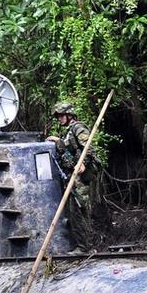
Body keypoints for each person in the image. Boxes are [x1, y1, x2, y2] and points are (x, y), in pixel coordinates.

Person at [48, 101, 96, 244]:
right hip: (72, 175)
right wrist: (57, 141)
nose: (59, 119)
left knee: (79, 209)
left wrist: (83, 162)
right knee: (74, 211)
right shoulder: (68, 131)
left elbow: (88, 147)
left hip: (80, 175)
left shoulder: (78, 127)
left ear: (69, 115)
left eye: (62, 115)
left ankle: (85, 246)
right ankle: (82, 244)